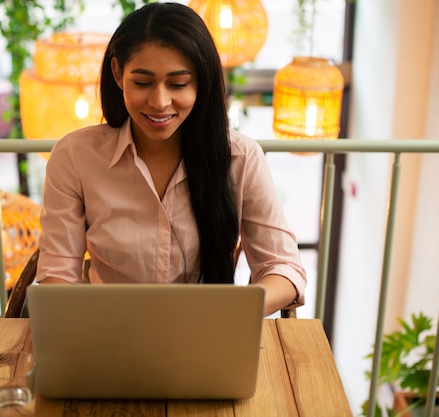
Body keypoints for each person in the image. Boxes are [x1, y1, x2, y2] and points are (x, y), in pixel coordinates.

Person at [36, 2, 306, 316]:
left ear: (201, 82)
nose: (160, 102)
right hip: (109, 336)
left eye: (178, 84)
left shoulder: (241, 158)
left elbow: (284, 269)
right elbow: (57, 274)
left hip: (207, 334)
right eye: (142, 83)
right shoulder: (75, 156)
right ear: (117, 73)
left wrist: (230, 312)